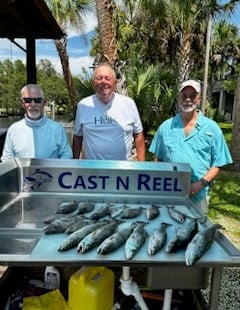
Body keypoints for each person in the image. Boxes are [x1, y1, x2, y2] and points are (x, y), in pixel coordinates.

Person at [149, 79, 233, 214]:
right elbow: (157, 159)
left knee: (197, 231)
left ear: (199, 99)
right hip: (169, 193)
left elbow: (218, 163)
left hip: (198, 194)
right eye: (184, 95)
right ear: (178, 98)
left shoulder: (212, 128)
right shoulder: (165, 127)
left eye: (192, 96)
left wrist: (200, 184)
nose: (188, 99)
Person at [72, 62, 145, 161]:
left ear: (115, 83)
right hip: (92, 172)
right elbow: (77, 137)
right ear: (93, 83)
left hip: (123, 170)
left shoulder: (129, 104)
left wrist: (142, 165)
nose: (103, 82)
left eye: (107, 78)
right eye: (99, 78)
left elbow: (138, 134)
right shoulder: (83, 105)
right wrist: (75, 164)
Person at [1, 84, 72, 161]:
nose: (33, 104)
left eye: (37, 100)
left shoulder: (57, 129)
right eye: (28, 100)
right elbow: (7, 158)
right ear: (22, 103)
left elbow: (66, 155)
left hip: (51, 173)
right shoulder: (13, 129)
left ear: (44, 102)